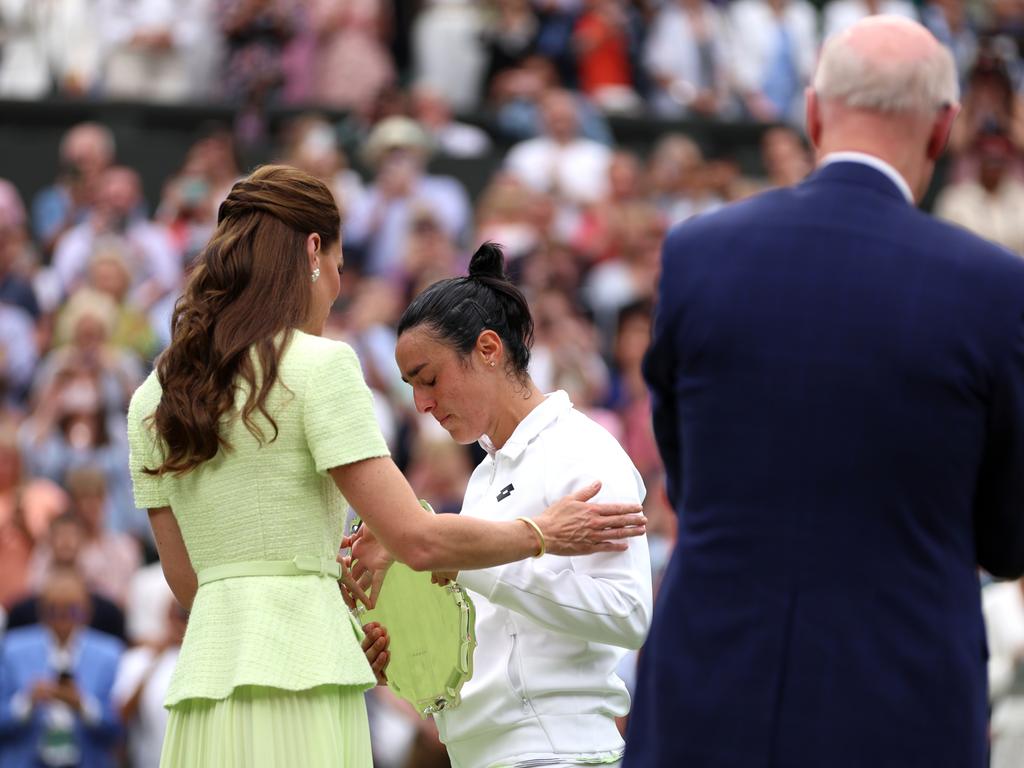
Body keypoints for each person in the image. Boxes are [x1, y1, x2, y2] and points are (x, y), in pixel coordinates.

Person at [125, 164, 645, 767]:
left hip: (204, 691)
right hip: (310, 694)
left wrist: (342, 633)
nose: (336, 290)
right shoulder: (320, 366)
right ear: (313, 251)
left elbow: (192, 585)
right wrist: (539, 535)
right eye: (341, 270)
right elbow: (418, 540)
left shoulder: (150, 399)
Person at [626, 16, 1024, 768]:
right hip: (902, 703)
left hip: (710, 690)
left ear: (812, 113)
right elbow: (1008, 535)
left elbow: (688, 478)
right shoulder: (994, 288)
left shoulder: (698, 255)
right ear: (943, 131)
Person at [383, 242, 652, 768]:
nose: (422, 405)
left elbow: (629, 613)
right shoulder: (483, 477)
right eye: (412, 387)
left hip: (556, 754)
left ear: (488, 349)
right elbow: (492, 635)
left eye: (430, 378)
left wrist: (470, 560)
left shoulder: (585, 450)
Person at [0, 568, 123, 768]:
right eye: (54, 611)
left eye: (73, 610)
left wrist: (83, 705)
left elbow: (119, 728)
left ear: (87, 611)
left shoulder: (109, 653)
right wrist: (25, 703)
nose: (64, 619)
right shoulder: (13, 649)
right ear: (42, 611)